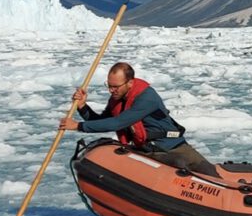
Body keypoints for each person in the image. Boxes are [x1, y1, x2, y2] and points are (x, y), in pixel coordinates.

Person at [60, 62, 218, 177]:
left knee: (209, 173)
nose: (111, 91)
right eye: (109, 85)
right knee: (177, 162)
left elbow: (118, 123)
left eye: (115, 87)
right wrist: (82, 106)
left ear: (130, 83)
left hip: (172, 146)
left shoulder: (147, 97)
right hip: (147, 150)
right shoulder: (117, 99)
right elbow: (101, 121)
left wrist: (78, 126)